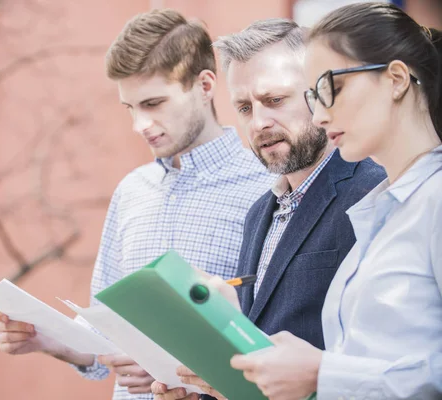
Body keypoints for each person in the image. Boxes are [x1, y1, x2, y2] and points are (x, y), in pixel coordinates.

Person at [0, 9, 274, 400]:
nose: (139, 124)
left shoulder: (266, 186)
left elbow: (271, 338)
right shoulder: (131, 192)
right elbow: (105, 333)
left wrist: (169, 369)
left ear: (205, 85)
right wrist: (46, 339)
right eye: (130, 107)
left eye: (153, 103)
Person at [152, 18, 386, 400]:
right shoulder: (259, 214)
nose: (259, 122)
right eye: (244, 108)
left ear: (320, 94)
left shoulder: (375, 192)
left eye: (274, 100)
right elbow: (255, 355)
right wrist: (207, 388)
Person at [224, 3, 442, 400]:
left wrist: (323, 373)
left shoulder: (428, 201)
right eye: (314, 94)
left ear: (395, 79)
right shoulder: (380, 209)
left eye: (331, 88)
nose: (320, 115)